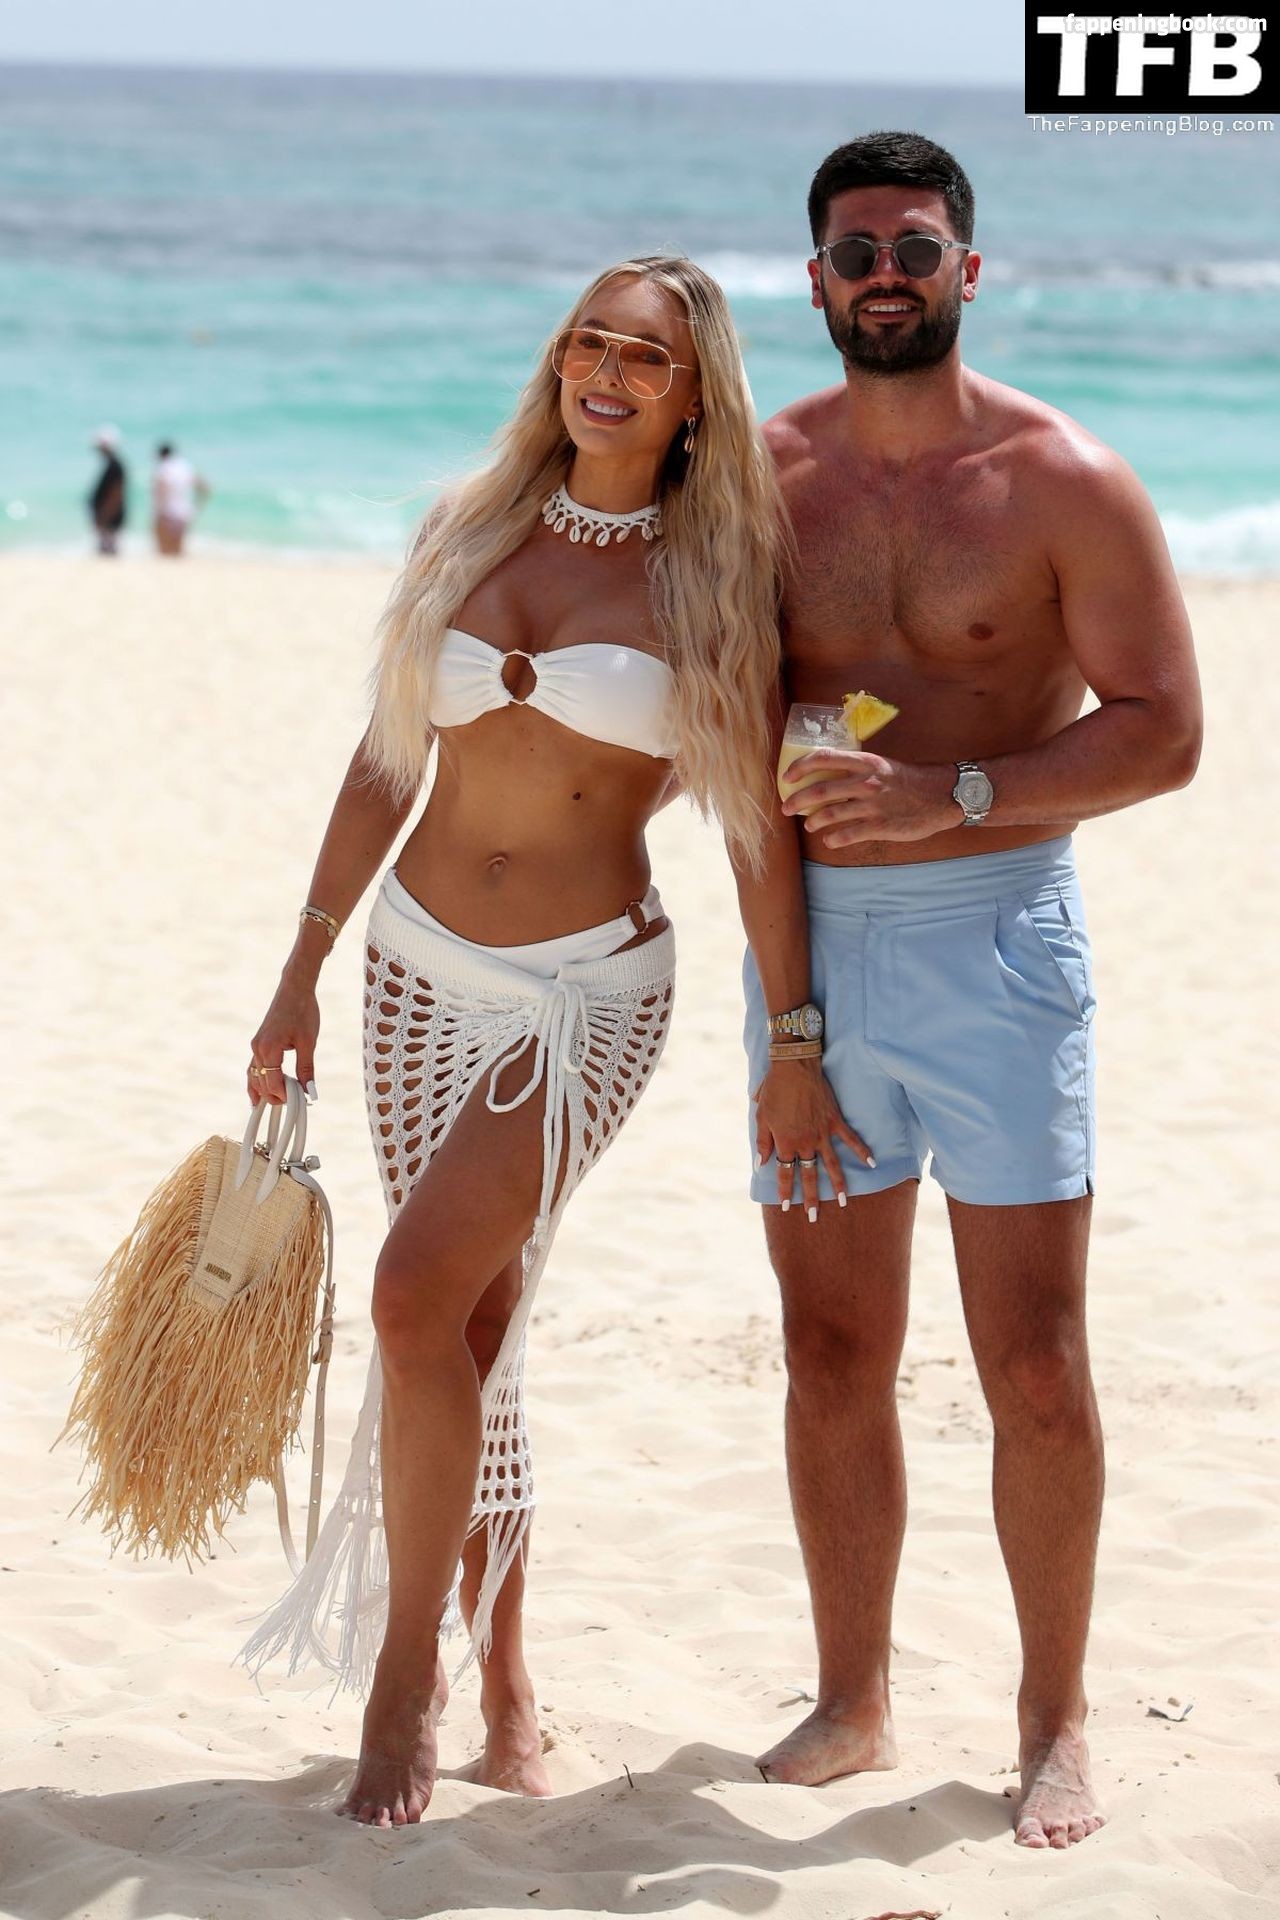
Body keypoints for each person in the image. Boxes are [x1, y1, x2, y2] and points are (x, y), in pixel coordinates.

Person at [234, 254, 865, 1827]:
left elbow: (755, 839)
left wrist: (793, 1040)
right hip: (409, 973)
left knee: (411, 1297)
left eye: (645, 357)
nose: (608, 372)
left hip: (586, 998)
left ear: (695, 397)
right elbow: (385, 763)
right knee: (471, 1330)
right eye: (589, 342)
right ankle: (507, 1680)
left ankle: (406, 1678)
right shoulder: (469, 526)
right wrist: (300, 967)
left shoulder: (713, 584)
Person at [744, 132, 1203, 1849]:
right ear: (814, 278)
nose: (888, 274)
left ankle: (1053, 1717)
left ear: (968, 270)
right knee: (829, 1345)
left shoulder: (1067, 481)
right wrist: (791, 1025)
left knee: (1035, 1361)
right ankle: (853, 1697)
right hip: (811, 955)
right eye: (858, 250)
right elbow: (723, 746)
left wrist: (964, 797)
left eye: (916, 248)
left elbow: (1167, 731)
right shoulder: (758, 484)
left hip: (1003, 938)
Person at [151, 442, 209, 554]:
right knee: (178, 551)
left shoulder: (163, 468)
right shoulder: (184, 467)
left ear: (161, 455)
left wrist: (158, 512)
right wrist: (197, 507)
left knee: (164, 551)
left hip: (167, 513)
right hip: (184, 513)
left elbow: (161, 491)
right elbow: (205, 487)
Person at [88, 427, 127, 555]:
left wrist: (104, 515)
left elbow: (116, 494)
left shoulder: (115, 466)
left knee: (108, 550)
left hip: (111, 517)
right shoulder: (111, 465)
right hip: (108, 516)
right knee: (105, 549)